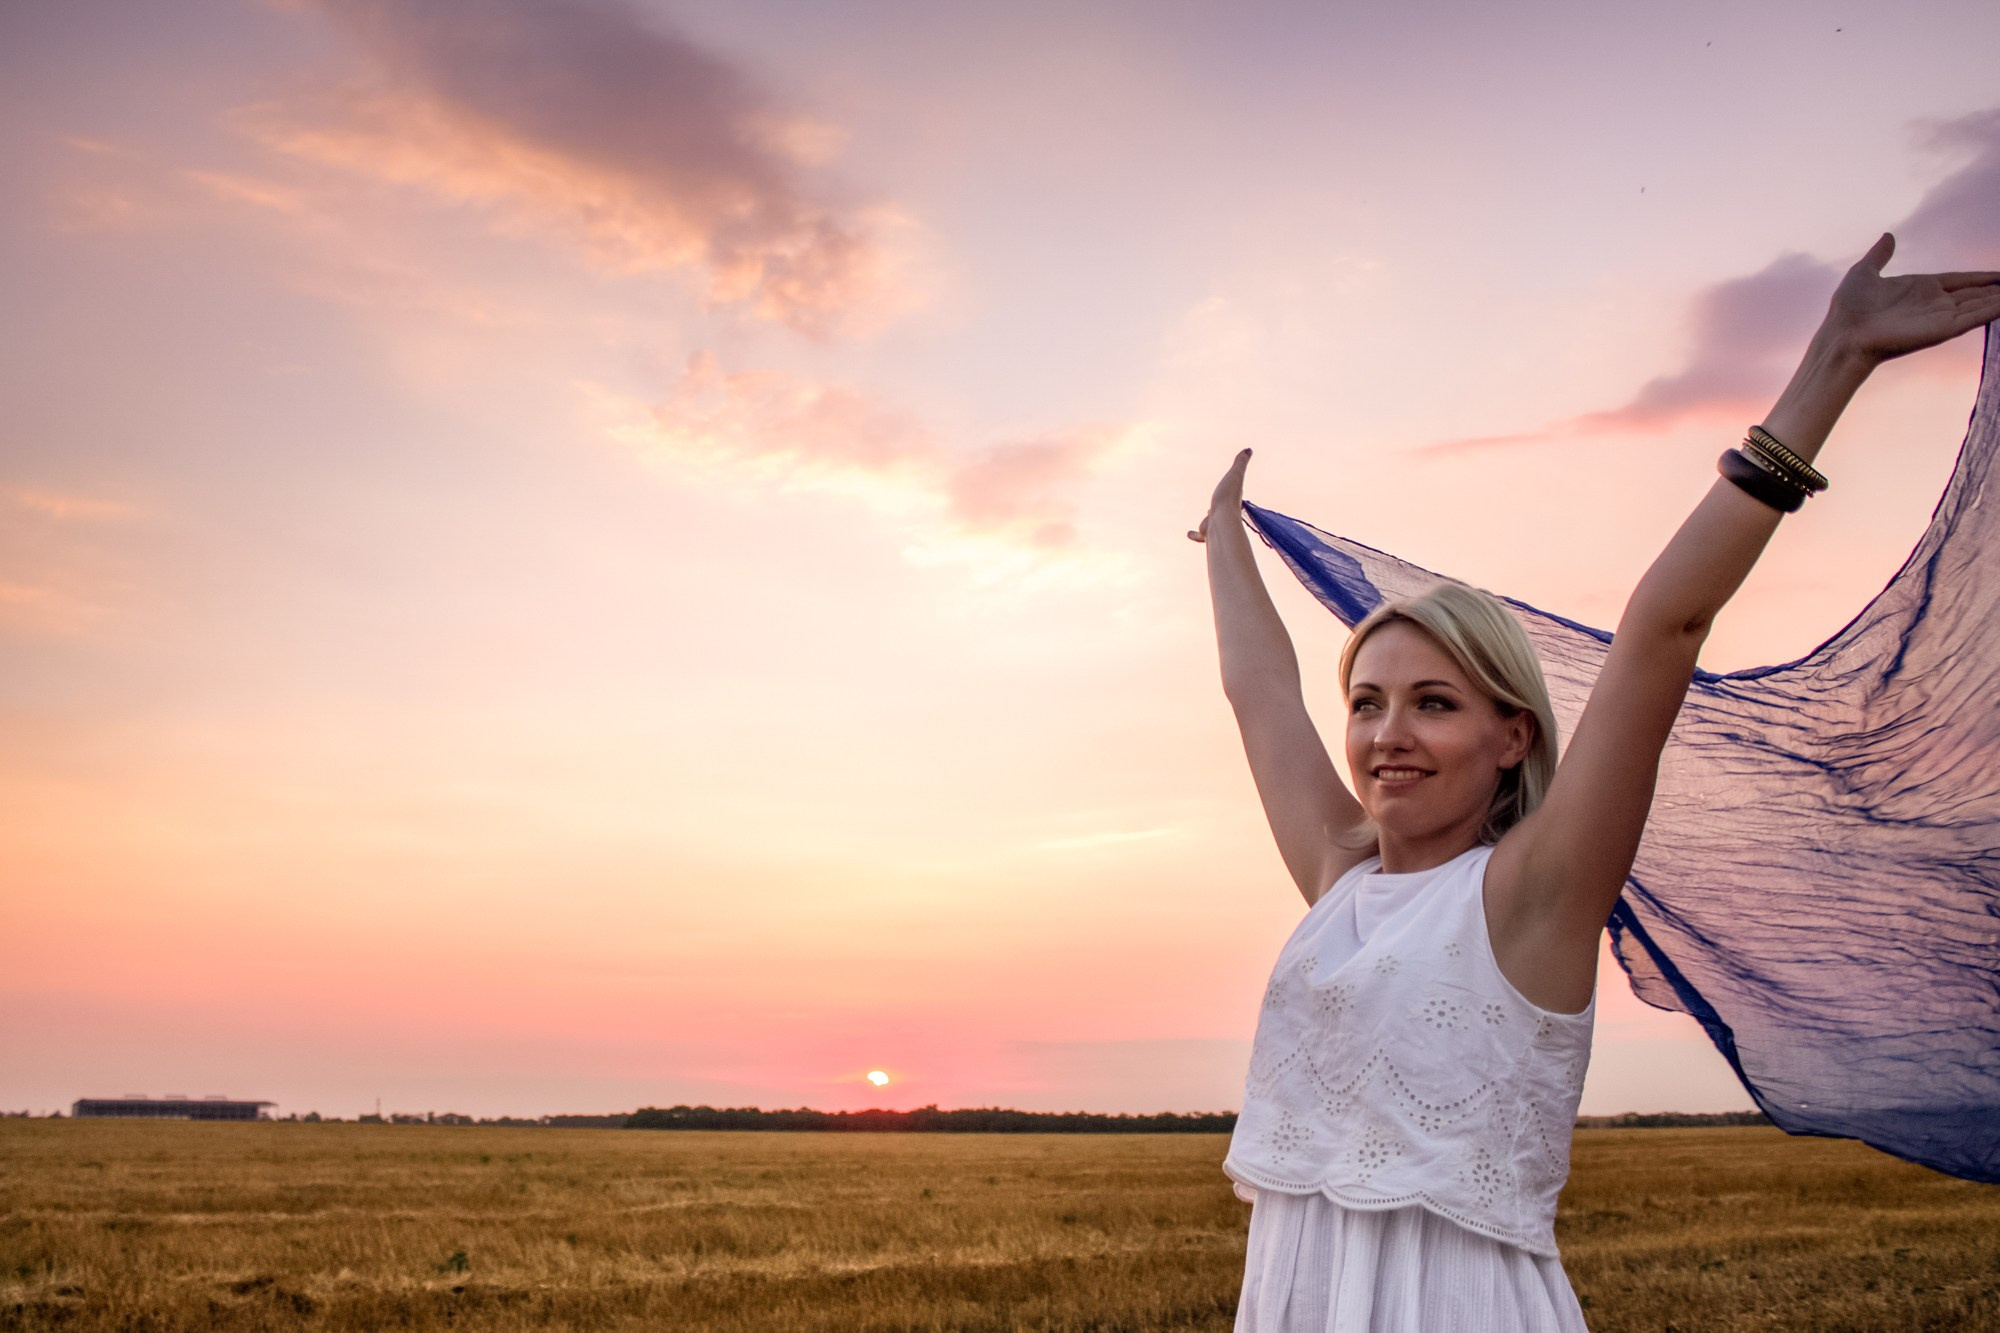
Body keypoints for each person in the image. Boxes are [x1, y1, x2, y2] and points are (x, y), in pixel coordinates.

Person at [1189, 234, 2000, 1332]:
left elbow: (1661, 631)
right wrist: (1221, 542)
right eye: (1367, 701)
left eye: (1433, 702)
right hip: (1296, 1300)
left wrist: (1834, 361)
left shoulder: (1533, 892)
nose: (1387, 732)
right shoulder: (1336, 876)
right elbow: (1259, 694)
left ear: (1511, 736)